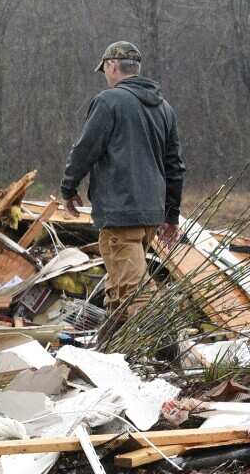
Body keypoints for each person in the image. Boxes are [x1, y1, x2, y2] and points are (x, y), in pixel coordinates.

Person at [61, 41, 185, 322]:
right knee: (119, 289)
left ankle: (165, 357)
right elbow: (175, 167)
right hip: (150, 214)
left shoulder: (109, 101)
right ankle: (108, 355)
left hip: (121, 213)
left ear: (112, 66)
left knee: (137, 293)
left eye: (105, 69)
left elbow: (85, 149)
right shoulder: (164, 108)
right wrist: (171, 216)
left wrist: (68, 188)